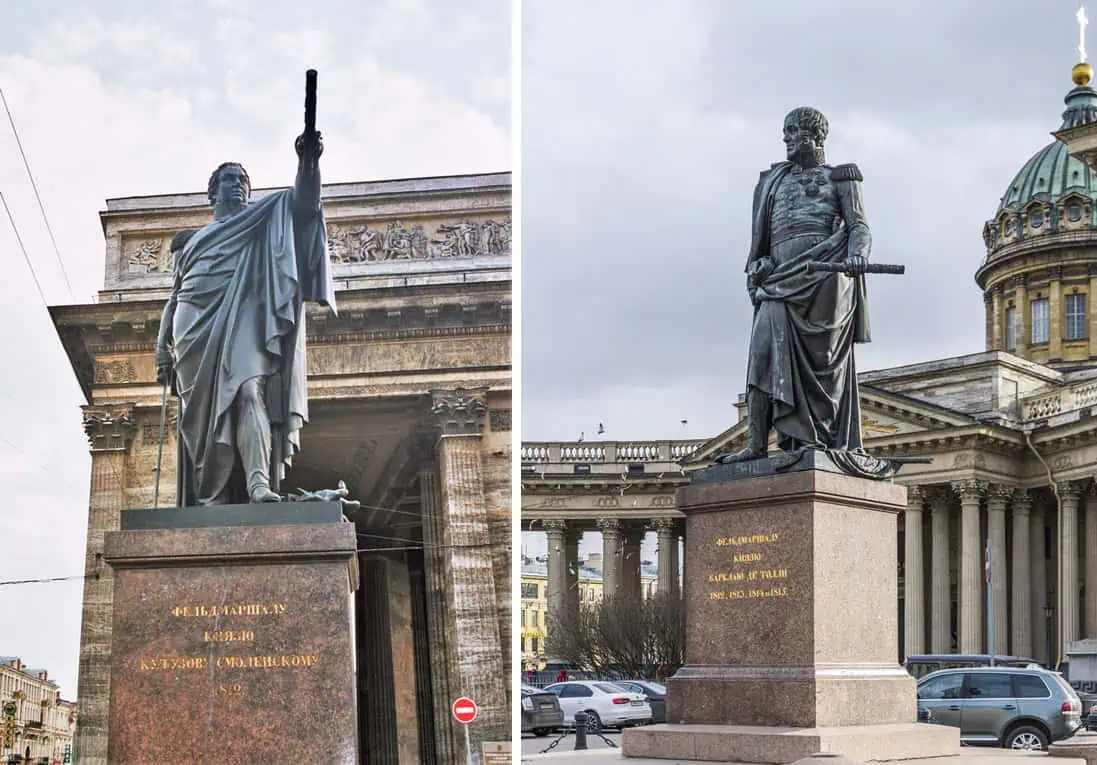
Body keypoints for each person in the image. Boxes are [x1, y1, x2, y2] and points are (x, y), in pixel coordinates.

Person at [155, 130, 336, 505]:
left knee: (249, 389)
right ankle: (213, 496)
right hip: (191, 328)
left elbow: (305, 203)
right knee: (202, 418)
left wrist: (309, 162)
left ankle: (258, 485)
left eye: (243, 180)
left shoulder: (261, 220)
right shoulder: (190, 241)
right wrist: (161, 349)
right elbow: (174, 298)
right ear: (212, 192)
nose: (237, 185)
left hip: (241, 317)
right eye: (228, 179)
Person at [719, 106, 871, 463]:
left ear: (816, 136)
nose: (787, 139)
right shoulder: (771, 182)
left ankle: (815, 440)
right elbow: (762, 242)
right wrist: (758, 264)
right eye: (785, 132)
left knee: (823, 365)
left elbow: (859, 226)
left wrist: (858, 254)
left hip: (825, 279)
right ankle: (756, 445)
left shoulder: (841, 178)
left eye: (794, 132)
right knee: (761, 358)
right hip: (777, 282)